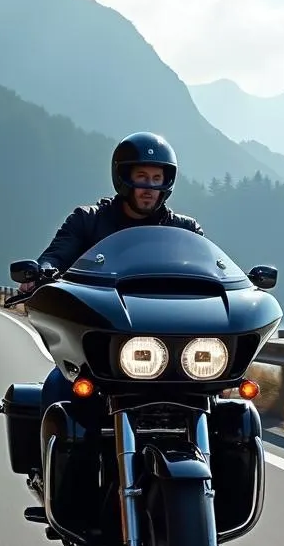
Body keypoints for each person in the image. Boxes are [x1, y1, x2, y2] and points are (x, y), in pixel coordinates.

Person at [17, 131, 205, 414]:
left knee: (224, 406)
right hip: (104, 342)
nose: (149, 187)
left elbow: (209, 268)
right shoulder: (88, 220)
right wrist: (40, 273)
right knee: (58, 387)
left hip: (173, 349)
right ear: (123, 177)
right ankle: (53, 457)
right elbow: (56, 255)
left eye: (157, 179)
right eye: (142, 176)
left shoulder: (184, 231)